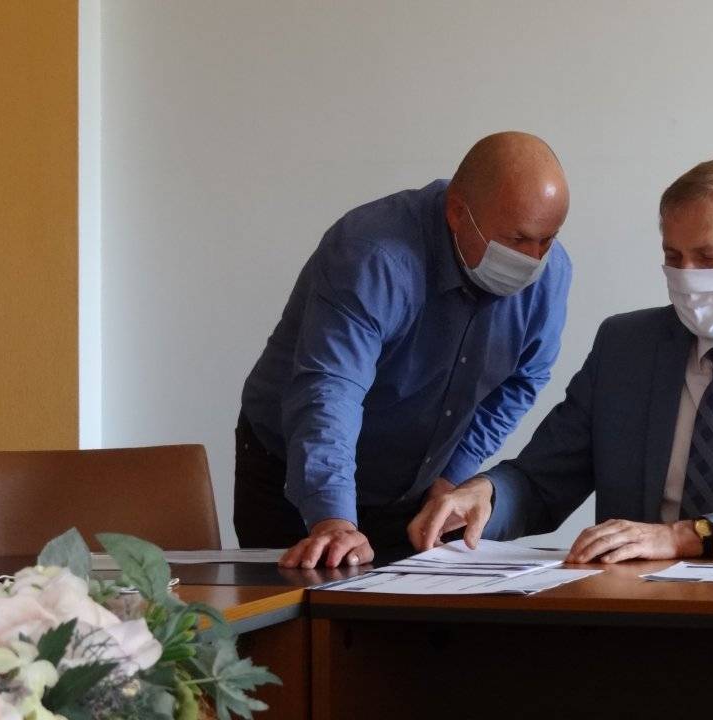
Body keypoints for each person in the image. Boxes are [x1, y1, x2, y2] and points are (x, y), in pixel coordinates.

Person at [412, 156, 713, 562]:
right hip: (643, 609)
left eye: (710, 259)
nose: (687, 277)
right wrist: (486, 495)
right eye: (674, 257)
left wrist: (690, 536)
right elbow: (542, 480)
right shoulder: (626, 346)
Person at [234, 131, 571, 568]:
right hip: (295, 471)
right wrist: (333, 520)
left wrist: (451, 476)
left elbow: (523, 381)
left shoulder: (552, 272)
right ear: (457, 213)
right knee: (306, 598)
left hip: (414, 486)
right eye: (517, 239)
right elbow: (331, 388)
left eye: (548, 239)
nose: (533, 258)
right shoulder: (373, 254)